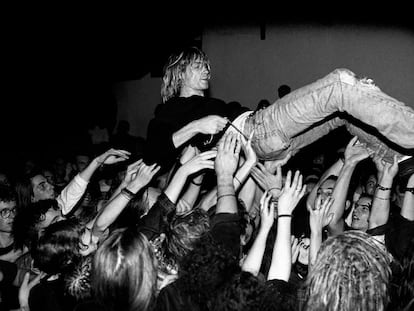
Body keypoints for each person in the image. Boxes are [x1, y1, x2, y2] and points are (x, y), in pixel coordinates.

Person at [145, 46, 414, 177]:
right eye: (197, 66)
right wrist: (197, 126)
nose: (206, 70)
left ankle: (397, 159)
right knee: (341, 83)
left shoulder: (208, 104)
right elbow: (152, 153)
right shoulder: (170, 110)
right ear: (179, 74)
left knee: (341, 113)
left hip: (273, 143)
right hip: (255, 131)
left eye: (206, 65)